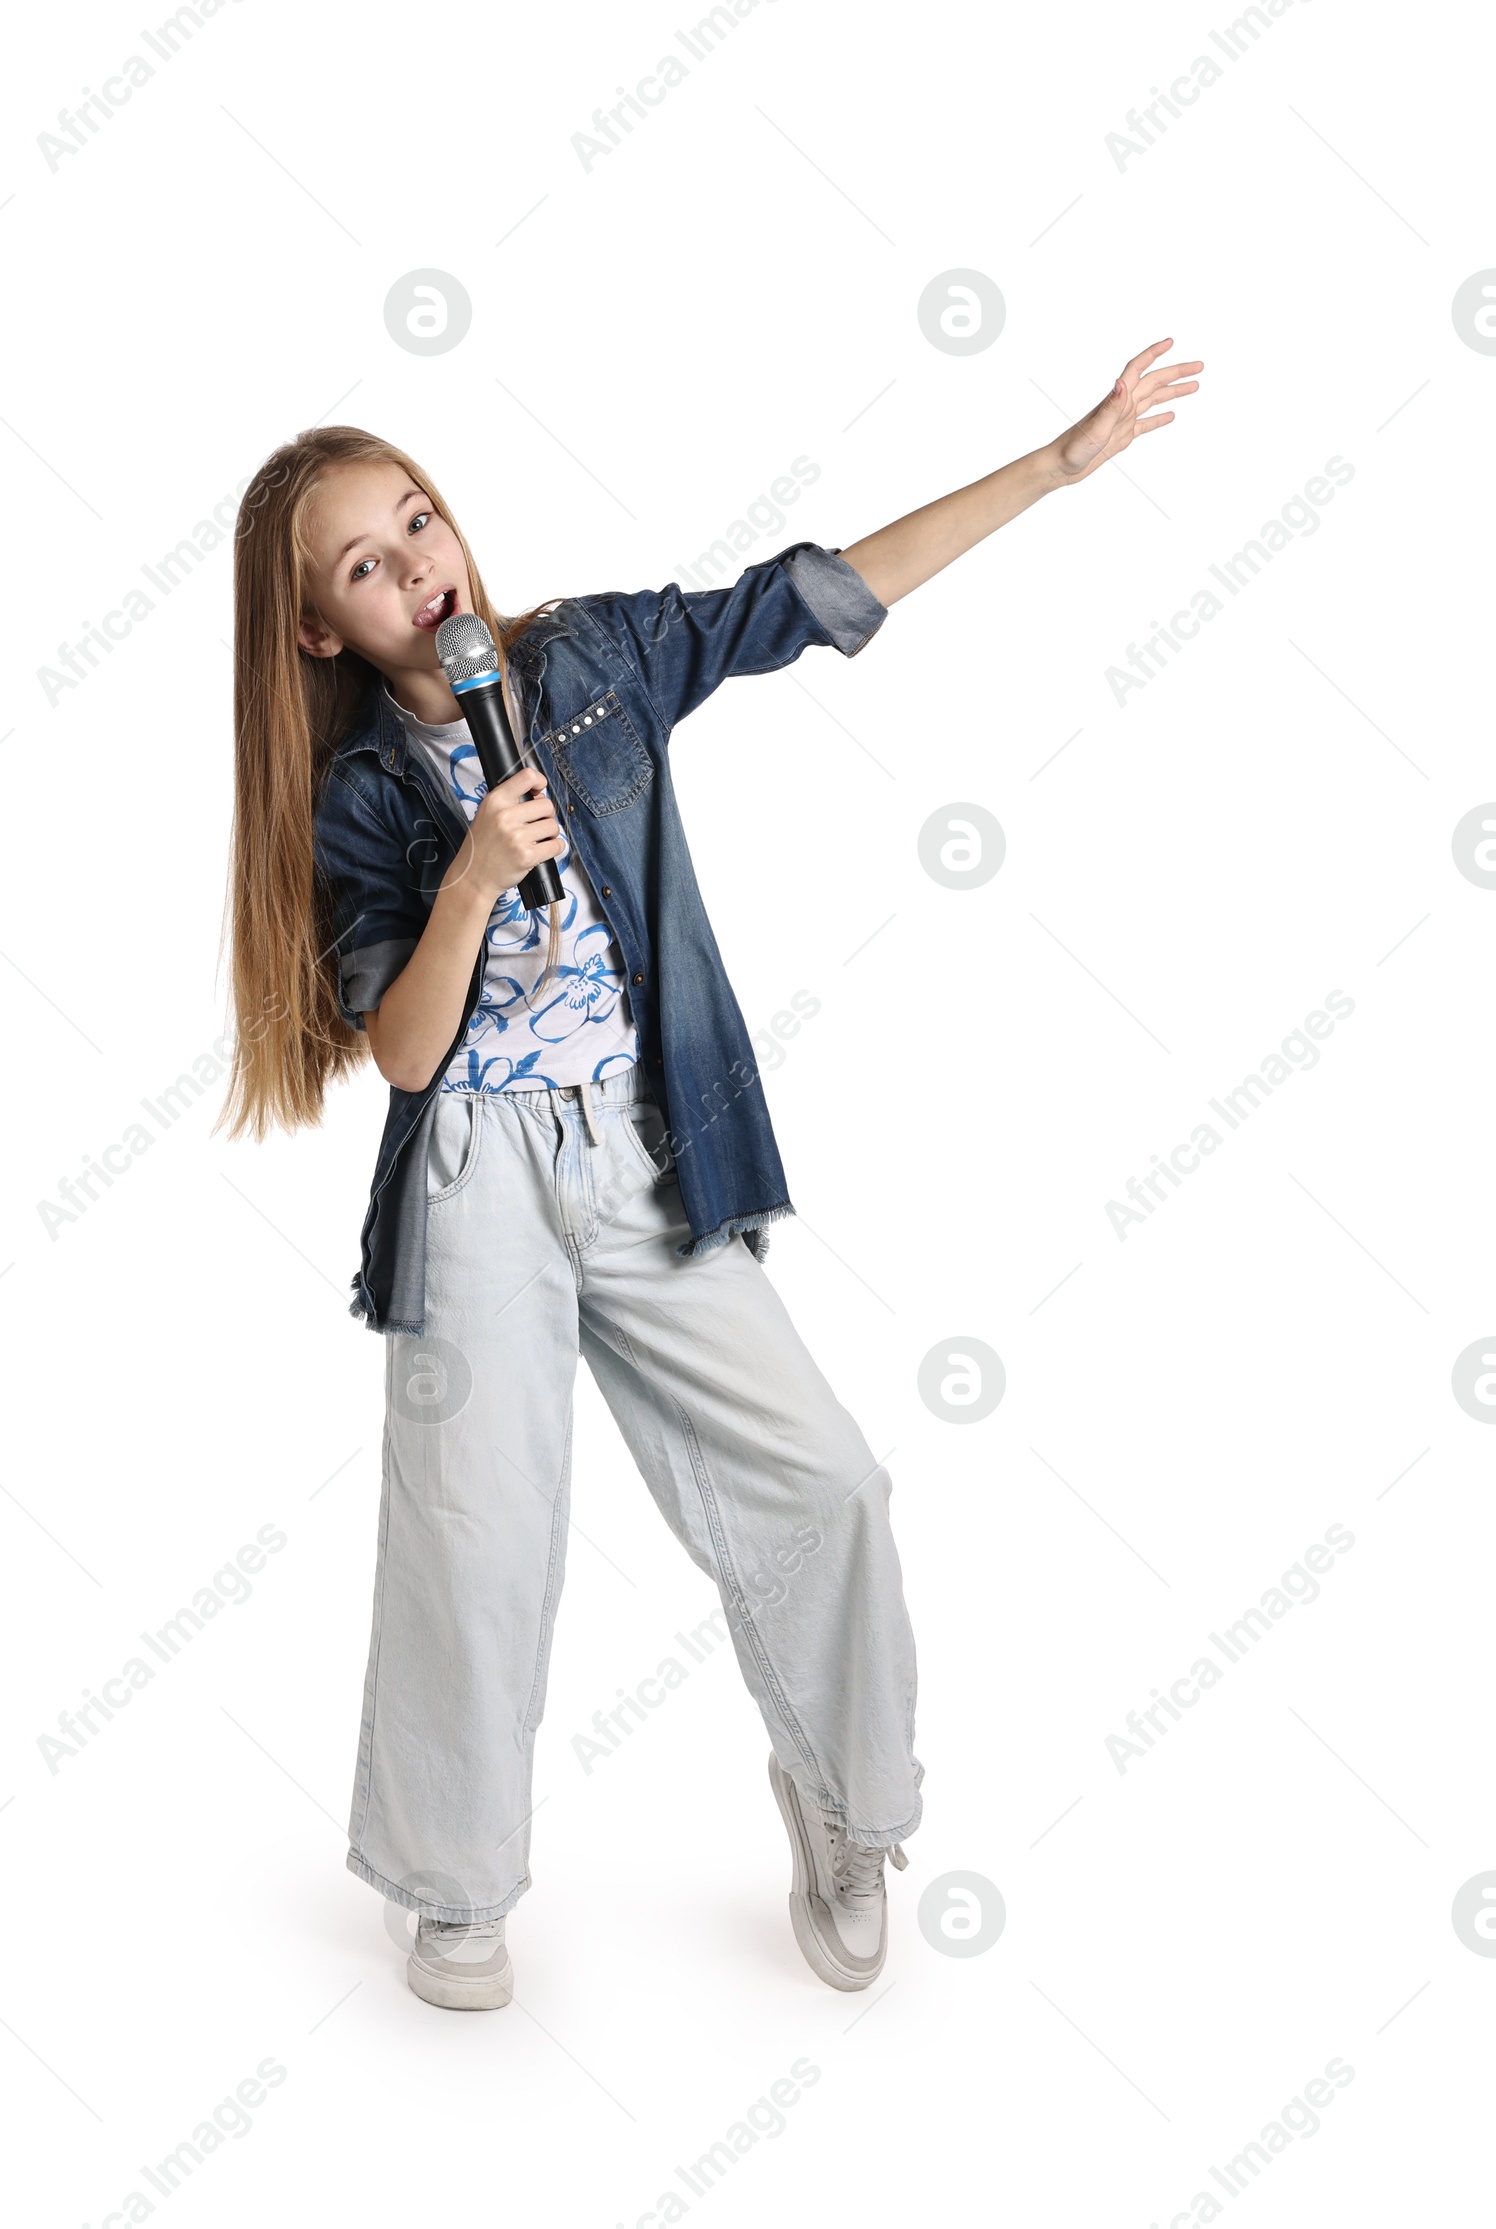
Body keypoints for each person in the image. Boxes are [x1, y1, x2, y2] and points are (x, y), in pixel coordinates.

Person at [218, 338, 1203, 2011]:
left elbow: (803, 596)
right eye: (364, 566)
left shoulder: (592, 663)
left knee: (826, 1478)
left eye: (417, 522)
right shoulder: (362, 792)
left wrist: (1055, 463)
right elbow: (395, 1050)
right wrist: (470, 873)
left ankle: (843, 1803)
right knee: (481, 1534)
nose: (414, 566)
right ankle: (452, 1885)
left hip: (639, 1142)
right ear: (322, 627)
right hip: (475, 1174)